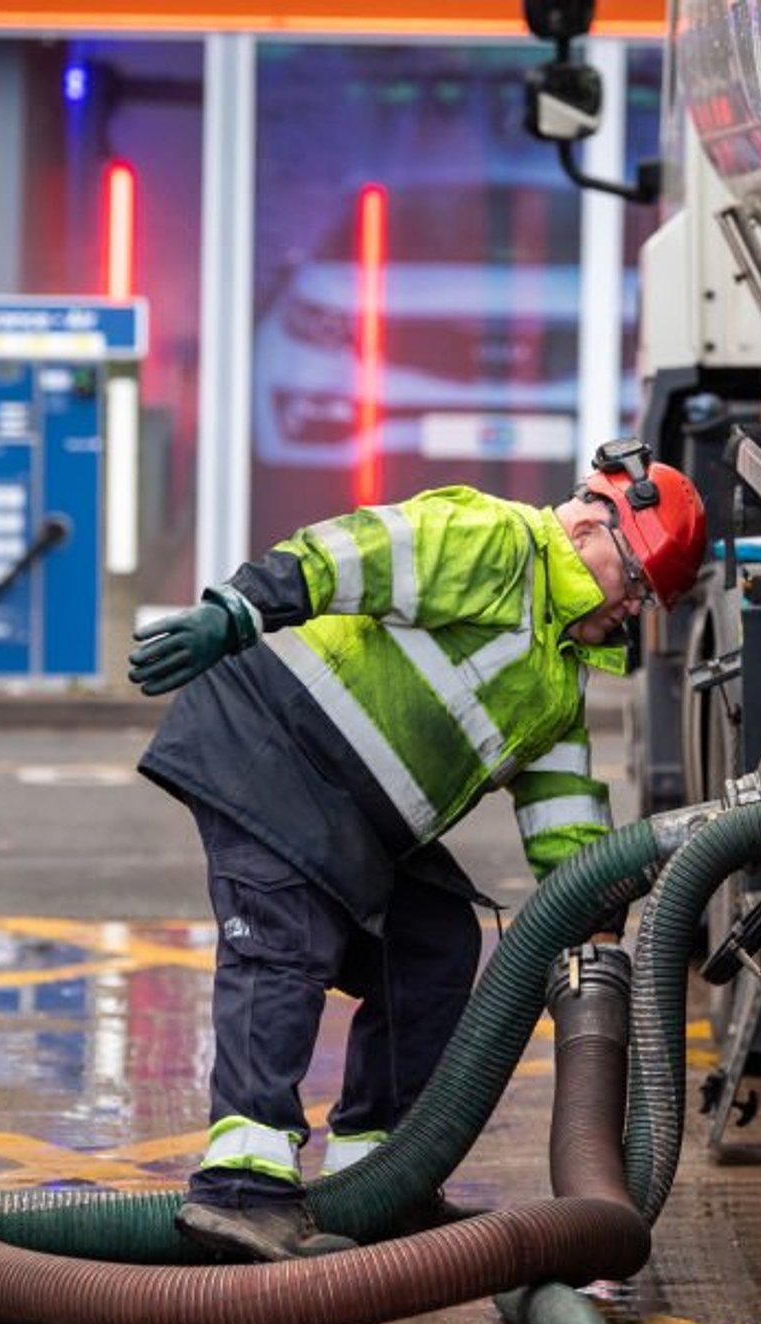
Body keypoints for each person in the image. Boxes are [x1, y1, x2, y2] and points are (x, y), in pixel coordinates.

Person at [127, 439, 707, 1262]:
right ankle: (240, 1188)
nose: (633, 612)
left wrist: (596, 935)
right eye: (639, 585)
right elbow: (351, 553)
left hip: (356, 812)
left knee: (433, 944)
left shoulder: (557, 672)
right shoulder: (495, 541)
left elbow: (567, 819)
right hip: (272, 747)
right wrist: (235, 612)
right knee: (284, 941)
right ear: (591, 528)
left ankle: (380, 1179)